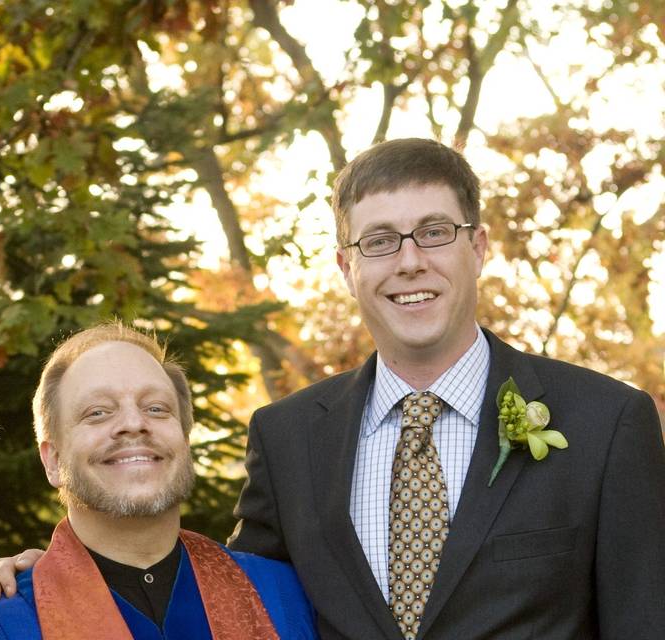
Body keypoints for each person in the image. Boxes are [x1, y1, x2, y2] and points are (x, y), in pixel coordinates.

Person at [226, 138, 665, 638]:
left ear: (477, 249)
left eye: (434, 232)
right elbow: (239, 612)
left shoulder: (606, 423)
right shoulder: (285, 438)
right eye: (379, 241)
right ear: (348, 269)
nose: (409, 261)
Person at [0, 323, 316, 639]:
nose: (134, 423)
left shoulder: (282, 595)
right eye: (98, 412)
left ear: (184, 442)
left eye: (156, 408)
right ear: (53, 461)